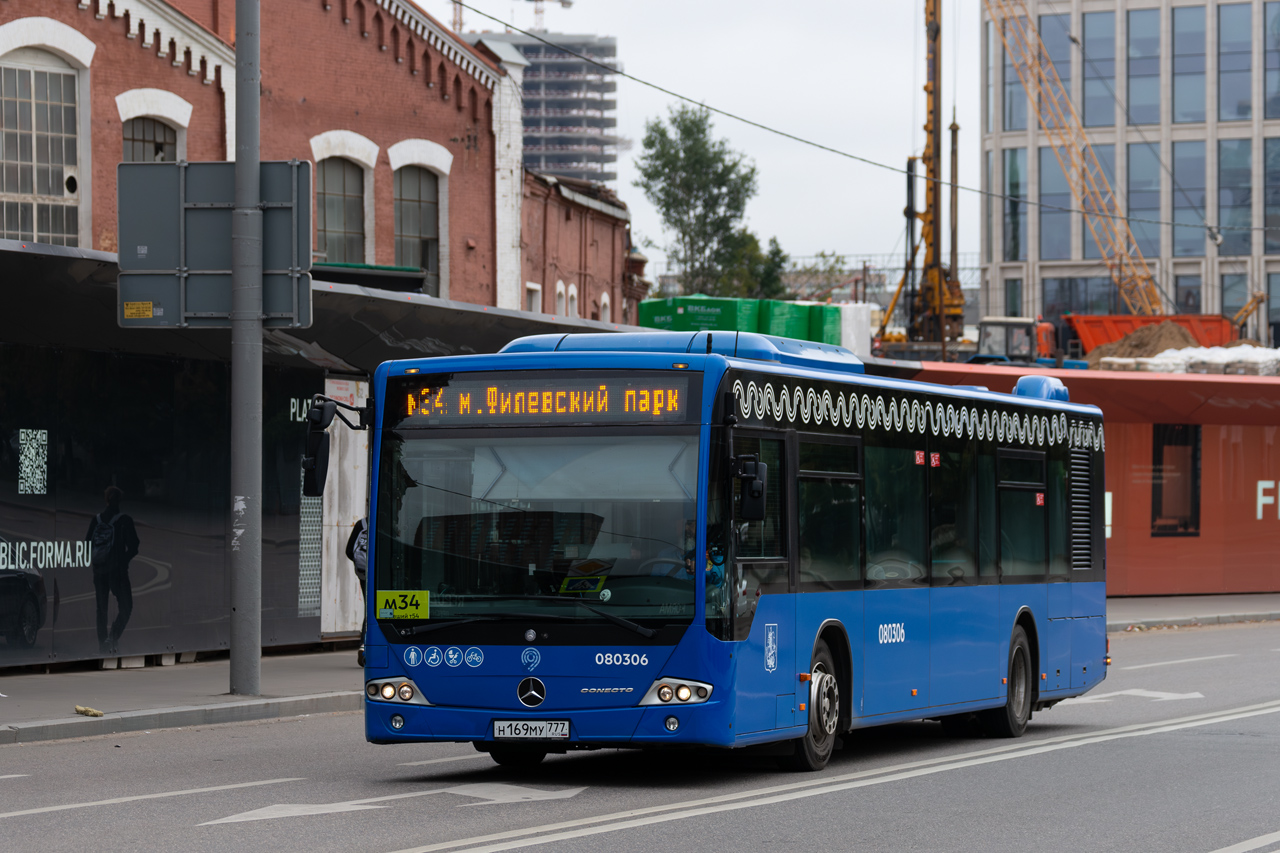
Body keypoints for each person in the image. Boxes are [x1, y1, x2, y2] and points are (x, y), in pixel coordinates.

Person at [84, 487, 140, 655]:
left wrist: (97, 561)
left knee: (101, 609)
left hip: (99, 572)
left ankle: (103, 645)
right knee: (126, 606)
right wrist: (122, 560)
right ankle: (113, 637)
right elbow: (134, 546)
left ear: (106, 500)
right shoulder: (125, 520)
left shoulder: (97, 520)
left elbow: (87, 544)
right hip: (118, 573)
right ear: (119, 501)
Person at [346, 517, 369, 666]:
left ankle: (363, 645)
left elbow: (349, 551)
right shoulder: (392, 521)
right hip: (384, 575)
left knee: (369, 609)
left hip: (364, 573)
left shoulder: (362, 524)